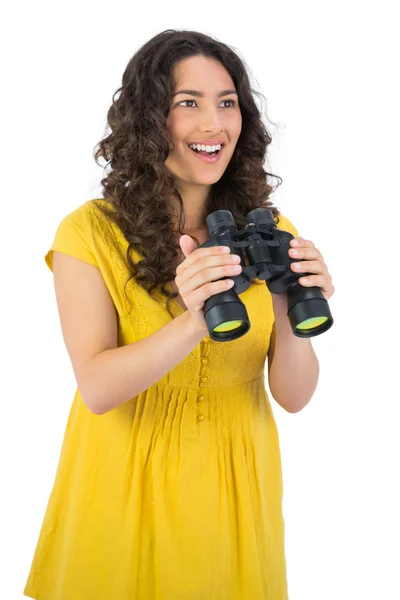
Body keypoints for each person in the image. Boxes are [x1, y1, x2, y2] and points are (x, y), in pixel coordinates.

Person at [24, 29, 335, 600]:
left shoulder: (271, 231)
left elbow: (293, 395)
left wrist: (292, 302)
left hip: (236, 494)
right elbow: (97, 387)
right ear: (149, 119)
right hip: (122, 490)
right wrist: (196, 317)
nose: (212, 124)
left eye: (226, 102)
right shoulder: (88, 233)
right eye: (186, 103)